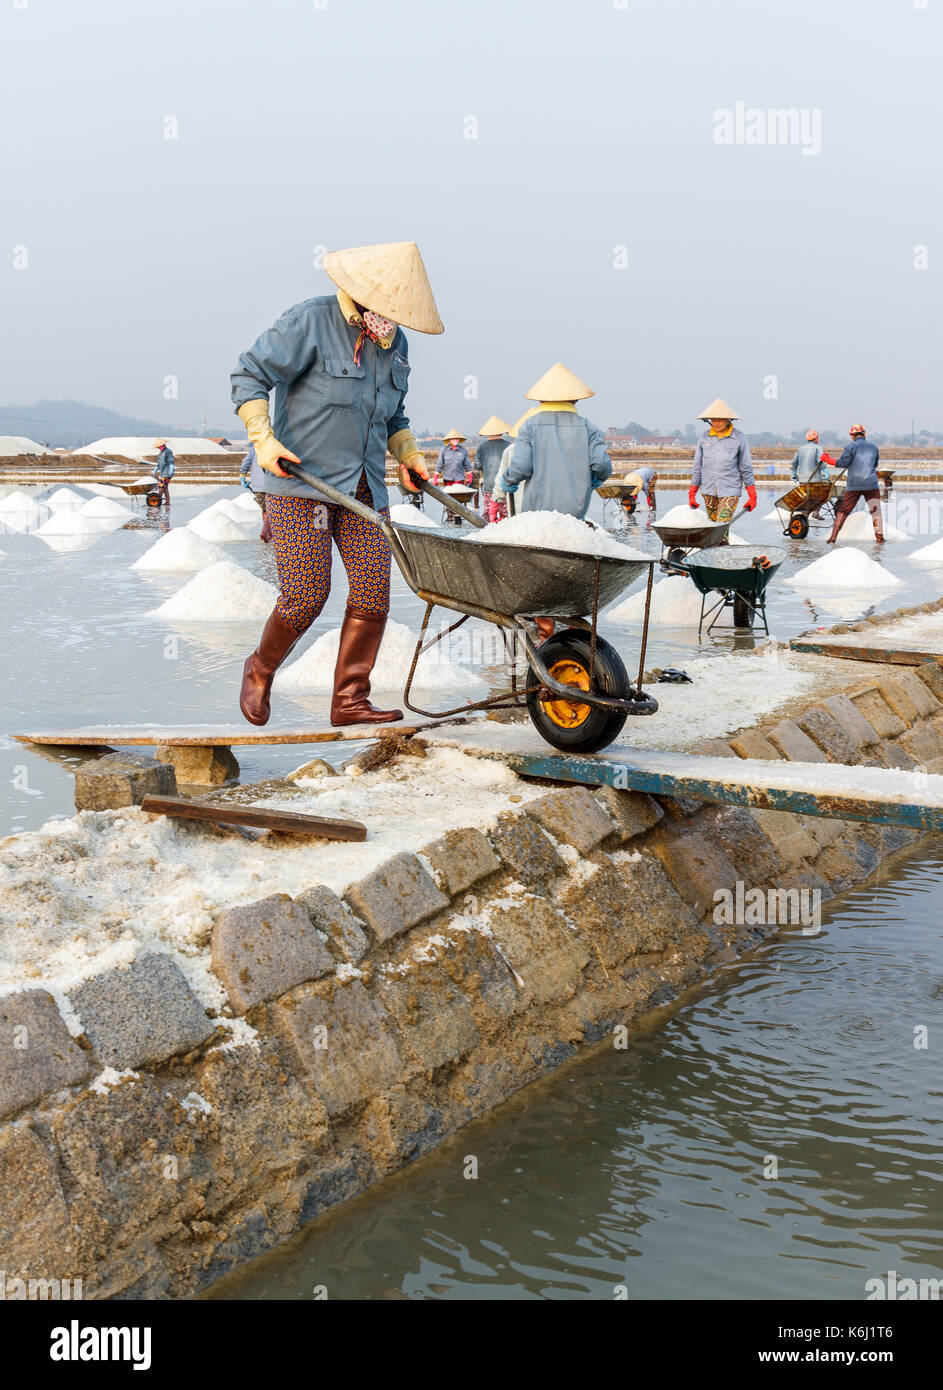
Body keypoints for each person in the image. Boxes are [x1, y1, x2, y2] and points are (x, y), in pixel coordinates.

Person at [230, 239, 442, 726]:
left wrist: (408, 454)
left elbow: (393, 414)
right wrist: (264, 440)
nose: (395, 316)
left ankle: (349, 700)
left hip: (364, 485)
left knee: (374, 591)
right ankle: (260, 670)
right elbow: (248, 375)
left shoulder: (394, 342)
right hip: (299, 479)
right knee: (307, 590)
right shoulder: (309, 321)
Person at [499, 363, 613, 641]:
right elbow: (602, 465)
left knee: (540, 576)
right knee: (570, 573)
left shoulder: (531, 426)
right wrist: (594, 479)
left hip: (538, 519)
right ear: (575, 399)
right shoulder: (588, 427)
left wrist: (508, 481)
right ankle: (573, 629)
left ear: (541, 399)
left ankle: (546, 635)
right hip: (573, 517)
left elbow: (521, 466)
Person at [688, 398, 756, 535]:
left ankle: (721, 553)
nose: (716, 423)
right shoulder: (704, 437)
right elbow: (698, 466)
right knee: (712, 528)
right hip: (708, 489)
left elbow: (745, 467)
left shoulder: (739, 438)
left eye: (720, 419)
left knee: (721, 526)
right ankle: (716, 554)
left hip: (730, 490)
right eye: (713, 419)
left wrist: (752, 496)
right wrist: (692, 493)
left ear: (728, 420)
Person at [826, 424, 884, 543]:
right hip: (871, 484)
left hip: (854, 485)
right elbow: (875, 464)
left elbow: (843, 463)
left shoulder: (849, 447)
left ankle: (833, 537)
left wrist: (828, 460)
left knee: (843, 510)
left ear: (852, 436)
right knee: (875, 510)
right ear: (864, 433)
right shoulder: (874, 447)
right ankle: (879, 538)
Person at [475, 415, 511, 522]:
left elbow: (477, 466)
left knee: (489, 514)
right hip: (505, 486)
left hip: (489, 486)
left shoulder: (482, 447)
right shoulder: (509, 445)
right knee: (505, 514)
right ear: (502, 431)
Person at [240, 441, 272, 543]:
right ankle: (266, 532)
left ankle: (267, 534)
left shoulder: (254, 448)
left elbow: (247, 461)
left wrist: (242, 475)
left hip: (257, 485)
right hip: (271, 484)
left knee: (264, 509)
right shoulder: (273, 447)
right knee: (272, 509)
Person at [152, 439, 175, 506]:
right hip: (162, 472)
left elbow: (171, 461)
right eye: (158, 447)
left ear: (163, 445)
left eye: (159, 447)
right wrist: (155, 470)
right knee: (165, 487)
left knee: (161, 486)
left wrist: (171, 468)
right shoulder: (160, 453)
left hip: (167, 473)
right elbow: (159, 464)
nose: (158, 448)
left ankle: (157, 501)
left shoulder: (168, 452)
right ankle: (167, 501)